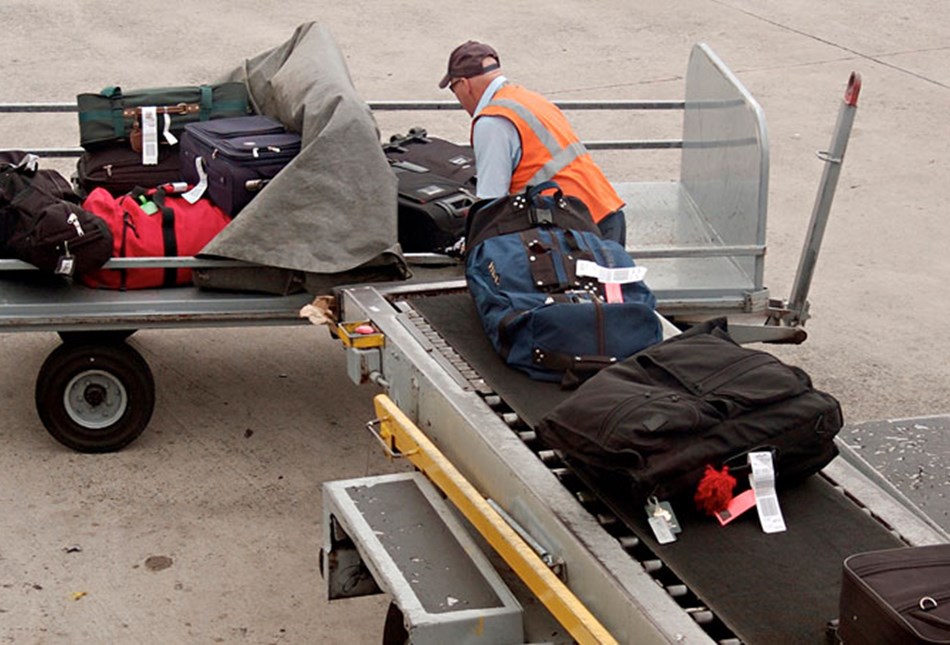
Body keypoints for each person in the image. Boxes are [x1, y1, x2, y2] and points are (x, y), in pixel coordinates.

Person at [439, 40, 627, 245]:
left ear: (464, 85)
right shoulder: (529, 99)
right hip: (604, 214)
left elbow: (491, 204)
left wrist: (468, 244)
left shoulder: (493, 120)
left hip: (574, 231)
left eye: (453, 89)